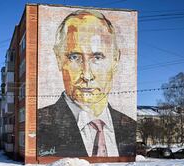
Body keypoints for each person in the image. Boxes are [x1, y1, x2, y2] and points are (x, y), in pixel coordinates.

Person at [37, 10, 136, 157]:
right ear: (59, 59)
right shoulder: (40, 124)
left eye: (97, 57)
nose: (87, 75)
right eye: (75, 57)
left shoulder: (130, 127)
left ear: (116, 60)